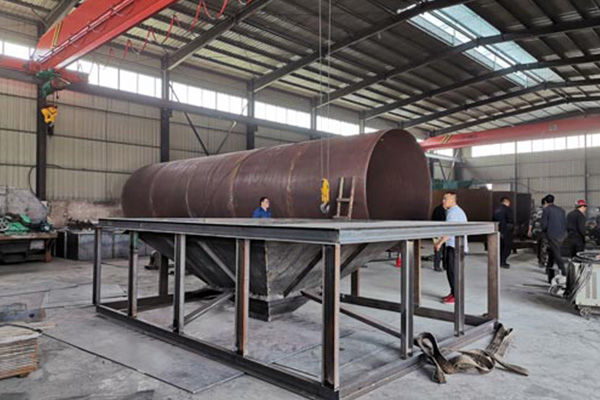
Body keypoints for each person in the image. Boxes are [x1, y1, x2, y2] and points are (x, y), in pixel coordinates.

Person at [434, 192, 469, 304]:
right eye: (443, 198)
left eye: (446, 199)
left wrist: (439, 243)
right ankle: (453, 292)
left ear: (453, 200)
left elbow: (449, 231)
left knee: (453, 272)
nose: (443, 201)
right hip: (454, 246)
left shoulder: (454, 213)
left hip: (456, 247)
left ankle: (456, 295)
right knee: (451, 271)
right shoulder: (453, 211)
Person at [541, 194, 567, 282]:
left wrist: (543, 231)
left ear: (545, 201)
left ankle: (564, 271)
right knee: (552, 250)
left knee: (556, 253)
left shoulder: (546, 210)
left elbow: (544, 224)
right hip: (562, 234)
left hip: (552, 234)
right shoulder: (561, 210)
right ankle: (549, 269)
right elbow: (564, 222)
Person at [493, 196, 515, 268]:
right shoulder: (508, 209)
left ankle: (498, 261)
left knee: (499, 247)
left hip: (497, 231)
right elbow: (510, 221)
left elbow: (493, 220)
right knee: (507, 247)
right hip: (506, 232)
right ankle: (503, 262)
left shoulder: (496, 209)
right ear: (507, 202)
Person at [528, 197, 549, 268]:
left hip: (536, 231)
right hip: (543, 231)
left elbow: (531, 221)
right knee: (543, 246)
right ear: (545, 202)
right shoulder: (547, 210)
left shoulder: (535, 210)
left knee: (539, 245)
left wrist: (529, 230)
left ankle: (540, 259)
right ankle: (542, 261)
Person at [431, 202, 446, 272]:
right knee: (439, 249)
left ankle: (437, 265)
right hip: (439, 232)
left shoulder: (438, 209)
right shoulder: (441, 210)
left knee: (439, 249)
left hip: (436, 231)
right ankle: (438, 266)